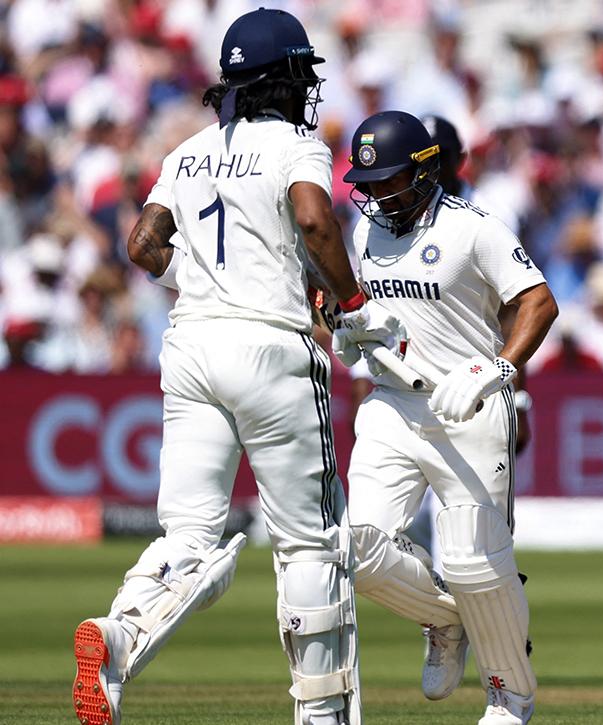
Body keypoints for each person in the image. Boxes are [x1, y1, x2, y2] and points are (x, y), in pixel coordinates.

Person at [71, 9, 393, 725]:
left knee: (186, 535)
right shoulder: (296, 146)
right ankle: (322, 713)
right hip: (272, 351)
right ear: (283, 82)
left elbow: (142, 243)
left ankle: (119, 638)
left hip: (190, 351)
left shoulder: (185, 152)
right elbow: (313, 220)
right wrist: (352, 301)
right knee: (310, 540)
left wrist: (208, 281)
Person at [334, 110, 557, 725]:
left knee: (470, 561)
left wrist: (500, 371)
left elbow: (538, 301)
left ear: (427, 172)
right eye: (368, 184)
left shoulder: (476, 228)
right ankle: (445, 616)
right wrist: (351, 336)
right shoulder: (364, 233)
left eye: (391, 181)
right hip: (391, 405)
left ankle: (510, 698)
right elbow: (366, 315)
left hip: (470, 404)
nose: (377, 195)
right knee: (353, 547)